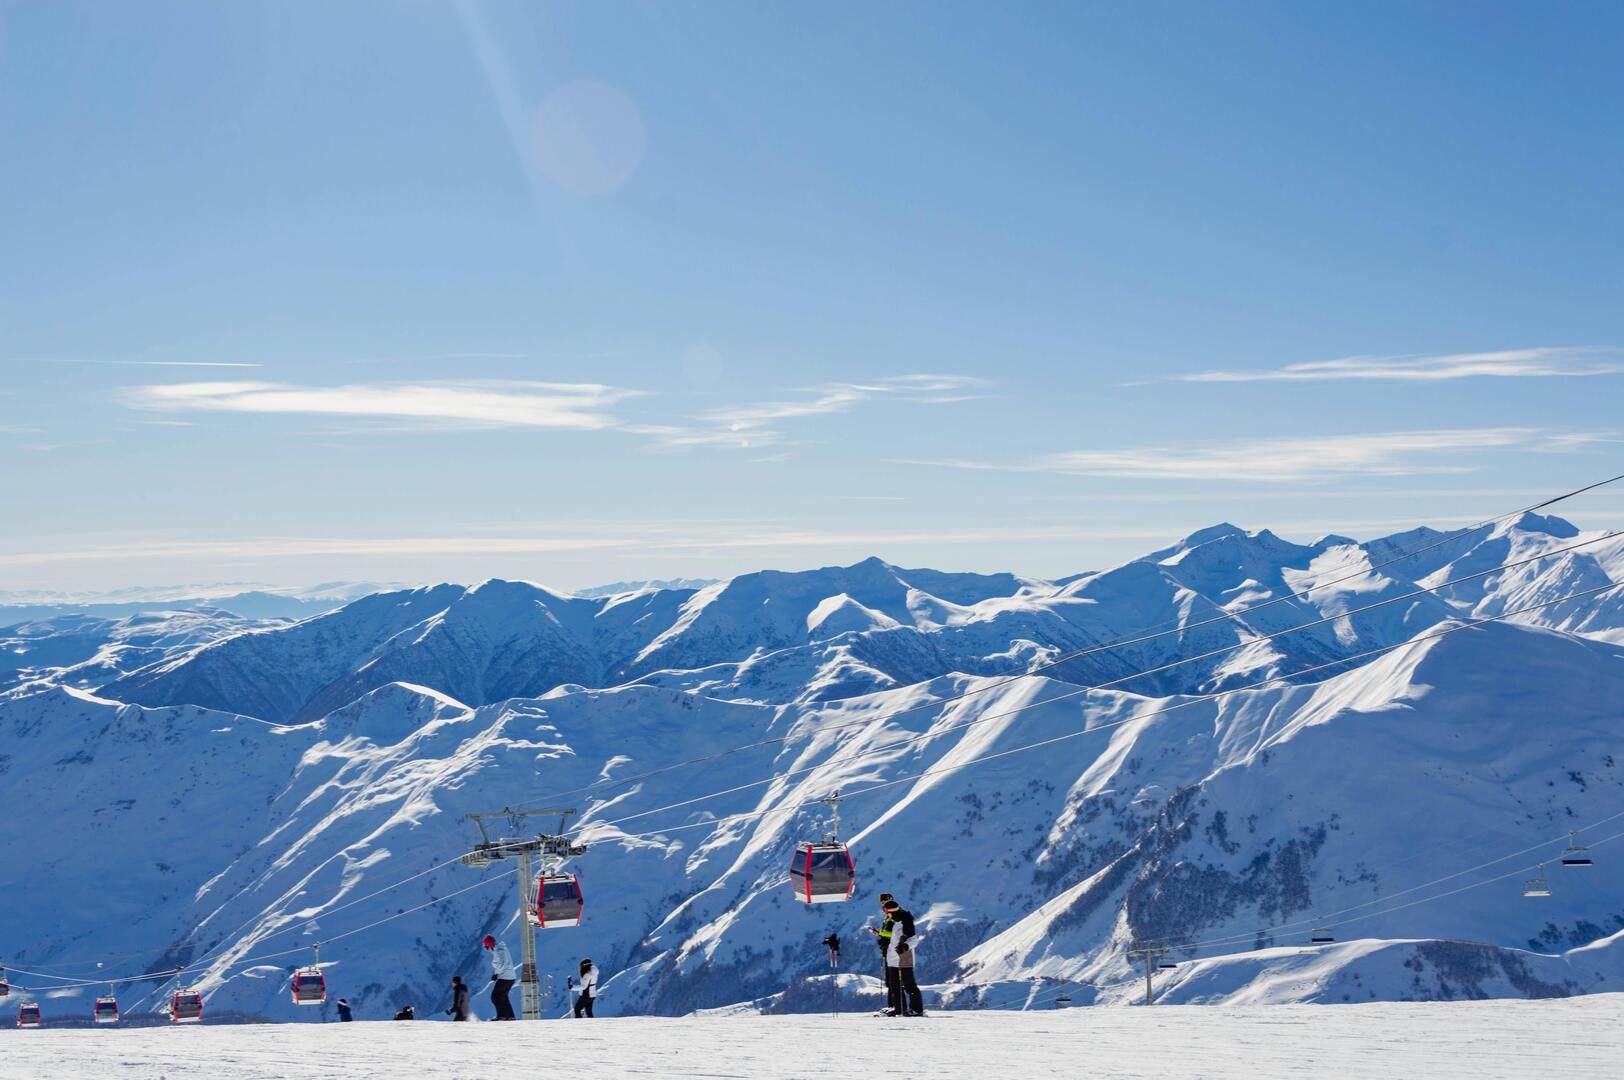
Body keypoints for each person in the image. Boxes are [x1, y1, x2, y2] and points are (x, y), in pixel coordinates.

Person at [884, 898, 925, 1017]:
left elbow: (913, 939)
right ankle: (898, 1009)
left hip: (904, 957)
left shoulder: (905, 921)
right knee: (894, 986)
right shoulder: (896, 921)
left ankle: (917, 1009)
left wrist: (905, 946)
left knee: (908, 984)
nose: (887, 915)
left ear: (891, 912)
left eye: (887, 912)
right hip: (893, 958)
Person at [867, 893, 901, 1016]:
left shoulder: (893, 917)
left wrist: (879, 933)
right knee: (890, 981)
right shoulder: (888, 917)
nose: (883, 906)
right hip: (888, 950)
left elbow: (893, 934)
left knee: (893, 980)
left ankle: (896, 1007)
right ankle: (892, 1006)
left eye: (883, 903)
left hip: (892, 950)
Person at [483, 935, 517, 1021]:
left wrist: (496, 974)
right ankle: (510, 1016)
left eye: (486, 948)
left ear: (490, 945)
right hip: (510, 977)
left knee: (495, 996)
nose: (487, 950)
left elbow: (501, 965)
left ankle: (501, 1016)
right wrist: (496, 973)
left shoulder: (498, 951)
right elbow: (501, 964)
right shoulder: (502, 949)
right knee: (503, 996)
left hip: (505, 977)